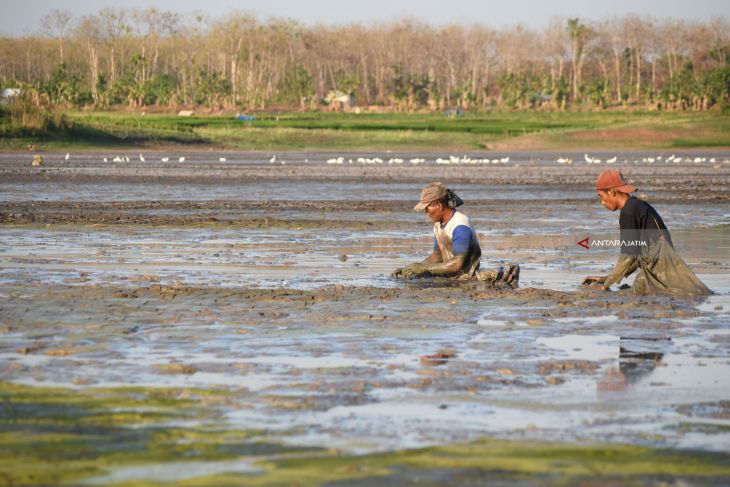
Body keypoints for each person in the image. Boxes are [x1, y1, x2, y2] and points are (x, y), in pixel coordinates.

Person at [583, 170, 710, 296]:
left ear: (611, 192)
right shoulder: (637, 205)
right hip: (662, 266)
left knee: (636, 288)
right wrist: (606, 278)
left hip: (659, 269)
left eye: (601, 196)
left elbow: (628, 257)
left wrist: (605, 286)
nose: (602, 202)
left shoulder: (628, 212)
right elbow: (635, 257)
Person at [391, 182, 519, 287]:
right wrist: (412, 268)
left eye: (427, 208)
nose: (426, 213)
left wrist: (424, 268)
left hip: (465, 276)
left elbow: (457, 265)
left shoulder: (460, 226)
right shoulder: (438, 225)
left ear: (439, 206)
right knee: (414, 278)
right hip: (447, 273)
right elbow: (437, 256)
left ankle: (500, 274)